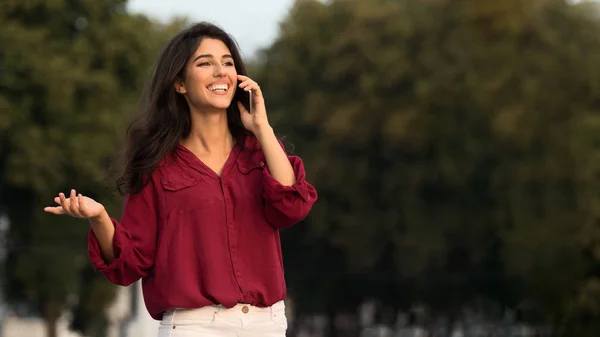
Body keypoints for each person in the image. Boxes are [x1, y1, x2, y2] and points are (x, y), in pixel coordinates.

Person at [44, 21, 317, 337]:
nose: (220, 72)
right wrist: (100, 218)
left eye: (227, 63)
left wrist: (262, 128)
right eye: (205, 63)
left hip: (267, 324)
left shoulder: (261, 150)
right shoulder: (158, 166)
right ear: (179, 83)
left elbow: (292, 208)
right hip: (195, 326)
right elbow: (132, 261)